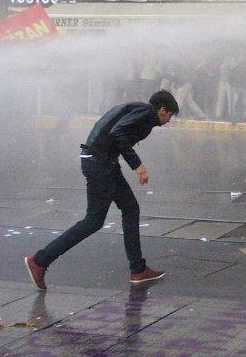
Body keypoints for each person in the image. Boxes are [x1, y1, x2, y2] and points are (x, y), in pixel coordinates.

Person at [24, 90, 179, 290]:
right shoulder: (147, 114)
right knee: (94, 220)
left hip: (100, 161)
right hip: (100, 163)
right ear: (162, 110)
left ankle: (138, 270)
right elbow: (117, 133)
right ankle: (39, 261)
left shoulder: (137, 108)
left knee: (129, 209)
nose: (168, 121)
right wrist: (137, 165)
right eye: (170, 116)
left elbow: (113, 131)